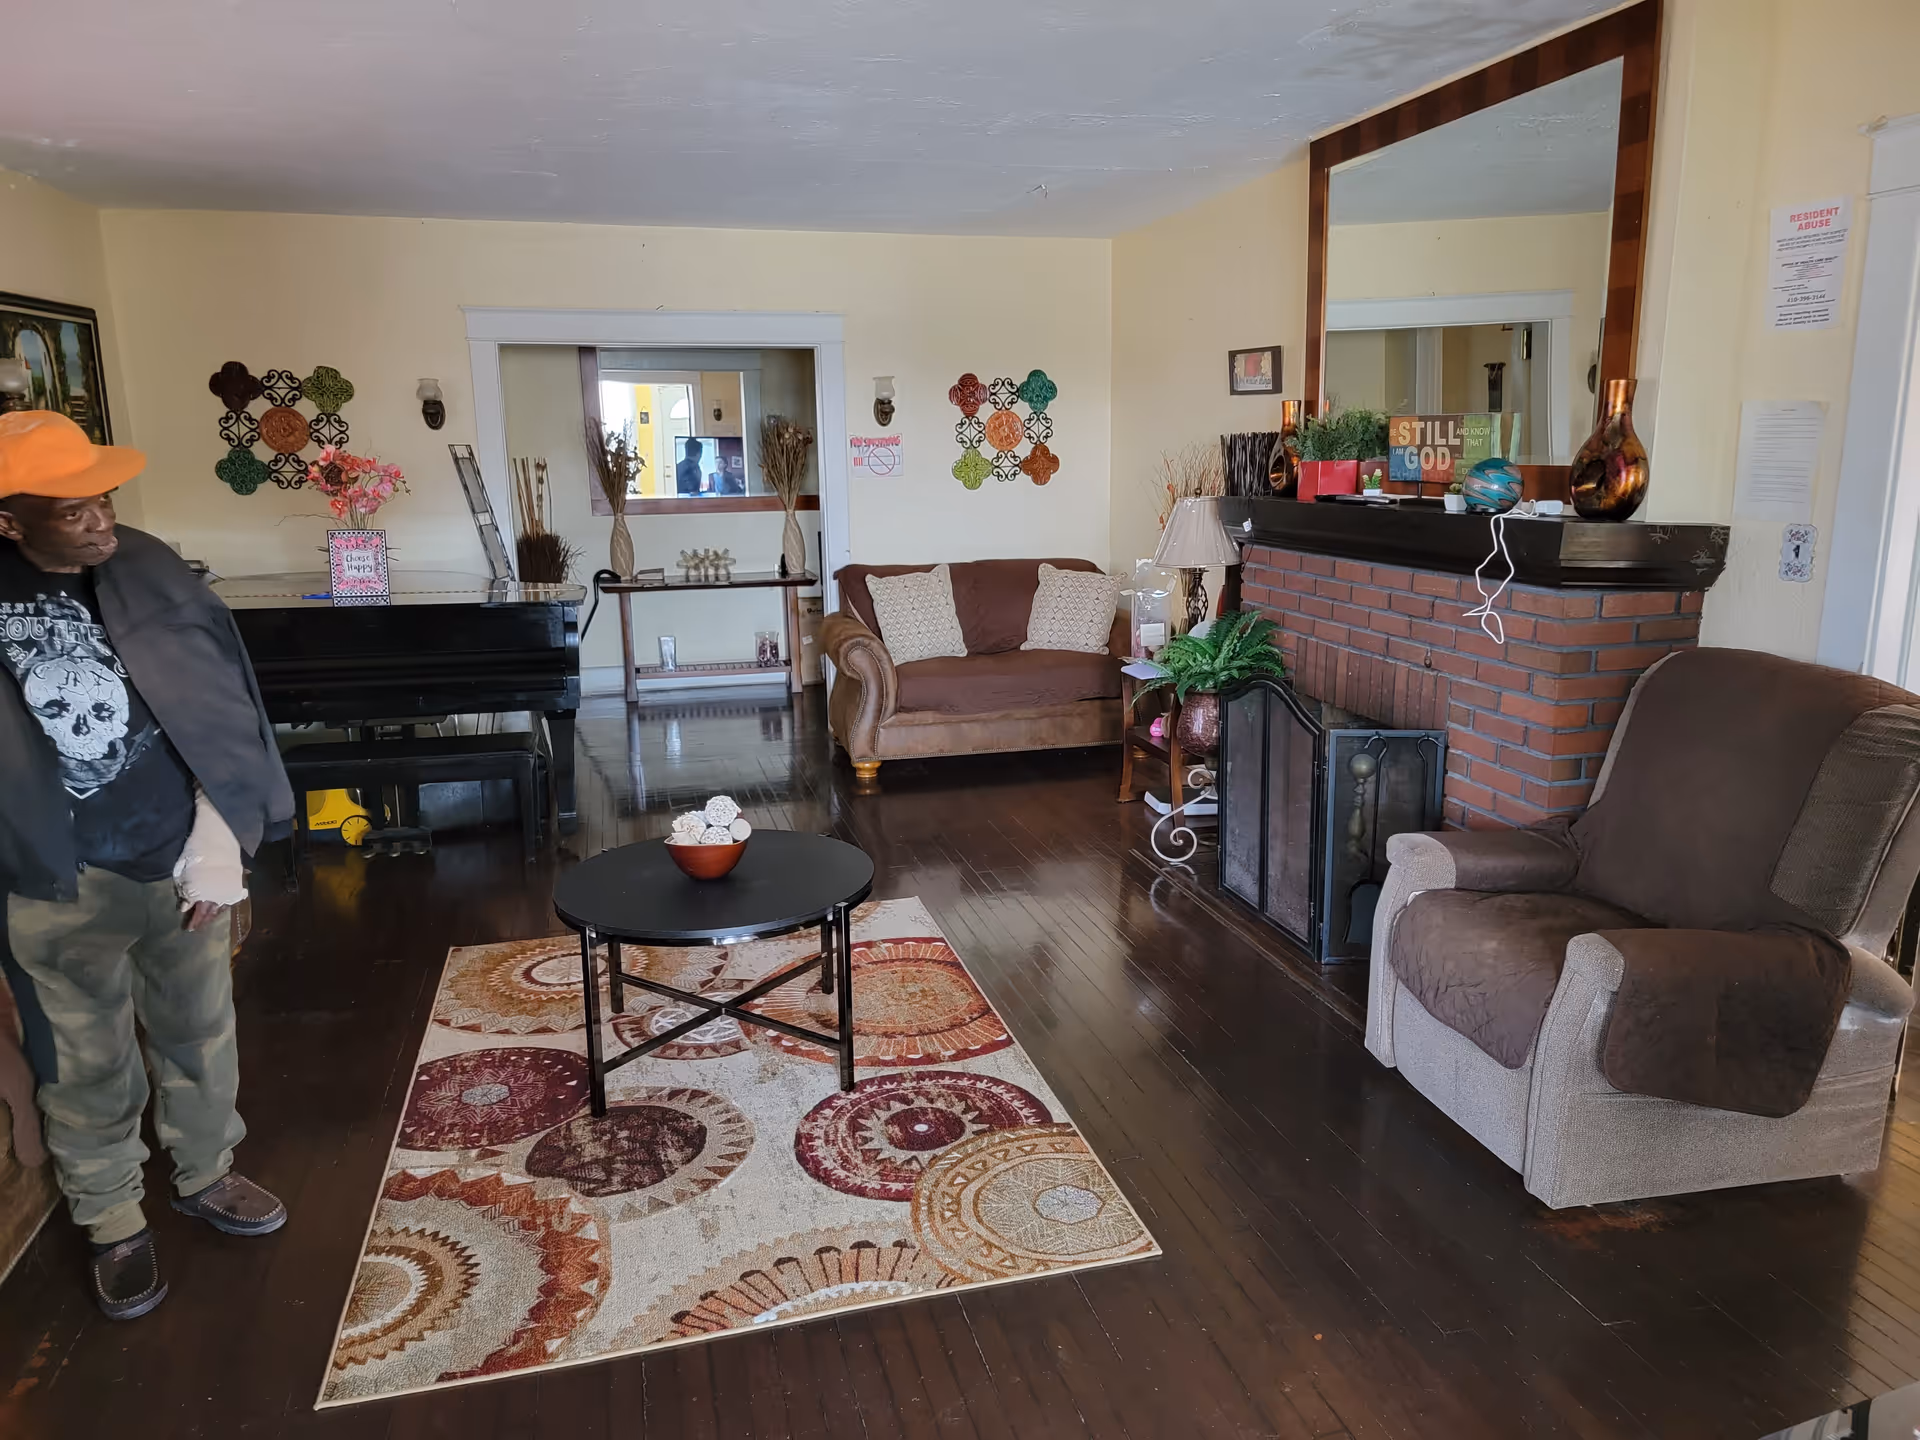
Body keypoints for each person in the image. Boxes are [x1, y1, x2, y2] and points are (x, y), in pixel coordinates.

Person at [0, 411, 295, 1321]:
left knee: (201, 1031)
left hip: (177, 858)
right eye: (73, 510)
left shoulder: (148, 563)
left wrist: (221, 836)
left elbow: (220, 701)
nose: (101, 523)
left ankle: (206, 1173)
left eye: (104, 500)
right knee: (82, 1062)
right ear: (10, 521)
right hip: (53, 877)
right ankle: (113, 1222)